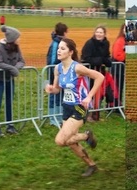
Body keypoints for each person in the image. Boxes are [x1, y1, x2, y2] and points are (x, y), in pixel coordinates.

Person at [45, 38, 104, 177]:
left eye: (63, 48)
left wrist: (89, 96)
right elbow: (58, 89)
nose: (59, 50)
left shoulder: (77, 68)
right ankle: (92, 165)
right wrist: (51, 89)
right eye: (59, 48)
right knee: (71, 143)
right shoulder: (57, 68)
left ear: (70, 52)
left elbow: (99, 77)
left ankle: (86, 136)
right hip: (67, 107)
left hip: (79, 107)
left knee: (60, 141)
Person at [0, 25, 25, 136]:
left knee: (9, 102)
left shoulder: (16, 47)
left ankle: (10, 126)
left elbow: (22, 61)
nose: (19, 40)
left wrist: (16, 68)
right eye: (17, 38)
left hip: (9, 80)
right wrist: (12, 69)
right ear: (12, 39)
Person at [81, 25, 112, 122]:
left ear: (104, 34)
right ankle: (86, 114)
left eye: (101, 32)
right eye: (97, 32)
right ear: (94, 33)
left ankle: (96, 114)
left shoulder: (106, 43)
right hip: (90, 72)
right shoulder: (89, 43)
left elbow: (107, 56)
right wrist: (100, 60)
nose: (99, 34)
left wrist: (107, 61)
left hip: (100, 72)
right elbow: (86, 58)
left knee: (100, 93)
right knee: (90, 92)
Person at [46, 22, 68, 127]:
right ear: (64, 32)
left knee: (60, 96)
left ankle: (59, 117)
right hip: (53, 74)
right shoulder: (55, 43)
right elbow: (53, 61)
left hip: (60, 74)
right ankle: (52, 118)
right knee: (53, 96)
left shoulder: (59, 42)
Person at [111, 23, 126, 109]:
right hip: (117, 68)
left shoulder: (124, 40)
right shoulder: (120, 40)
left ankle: (117, 104)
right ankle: (115, 105)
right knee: (117, 87)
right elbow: (117, 55)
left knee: (120, 87)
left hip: (121, 68)